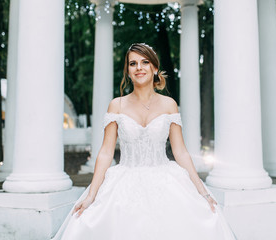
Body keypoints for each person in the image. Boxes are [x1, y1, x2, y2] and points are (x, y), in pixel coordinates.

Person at [53, 43, 237, 240]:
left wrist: (202, 191)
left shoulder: (169, 104)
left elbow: (180, 152)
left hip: (165, 180)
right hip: (124, 180)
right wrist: (91, 194)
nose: (139, 67)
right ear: (128, 71)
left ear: (155, 68)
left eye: (145, 62)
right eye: (133, 63)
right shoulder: (117, 105)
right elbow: (106, 153)